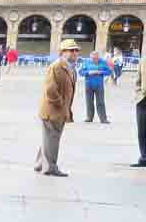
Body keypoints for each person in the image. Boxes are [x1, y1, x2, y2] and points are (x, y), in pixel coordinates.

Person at [35, 39, 80, 177]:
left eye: (76, 50)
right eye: (71, 50)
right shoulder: (57, 66)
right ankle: (50, 167)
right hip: (53, 109)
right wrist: (60, 103)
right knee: (52, 138)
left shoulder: (68, 66)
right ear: (62, 52)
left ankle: (40, 163)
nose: (74, 53)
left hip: (59, 109)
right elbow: (50, 89)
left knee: (50, 138)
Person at [79, 50, 113, 124]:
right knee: (89, 102)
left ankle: (103, 119)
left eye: (96, 58)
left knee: (100, 102)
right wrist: (88, 72)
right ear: (90, 58)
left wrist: (101, 72)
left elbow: (109, 71)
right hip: (89, 85)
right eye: (93, 59)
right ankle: (89, 117)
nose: (95, 60)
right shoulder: (86, 62)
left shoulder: (103, 62)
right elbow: (80, 72)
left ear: (99, 57)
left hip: (99, 85)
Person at [133, 52, 146, 167]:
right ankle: (144, 157)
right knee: (142, 131)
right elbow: (138, 79)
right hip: (143, 99)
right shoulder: (143, 60)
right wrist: (139, 92)